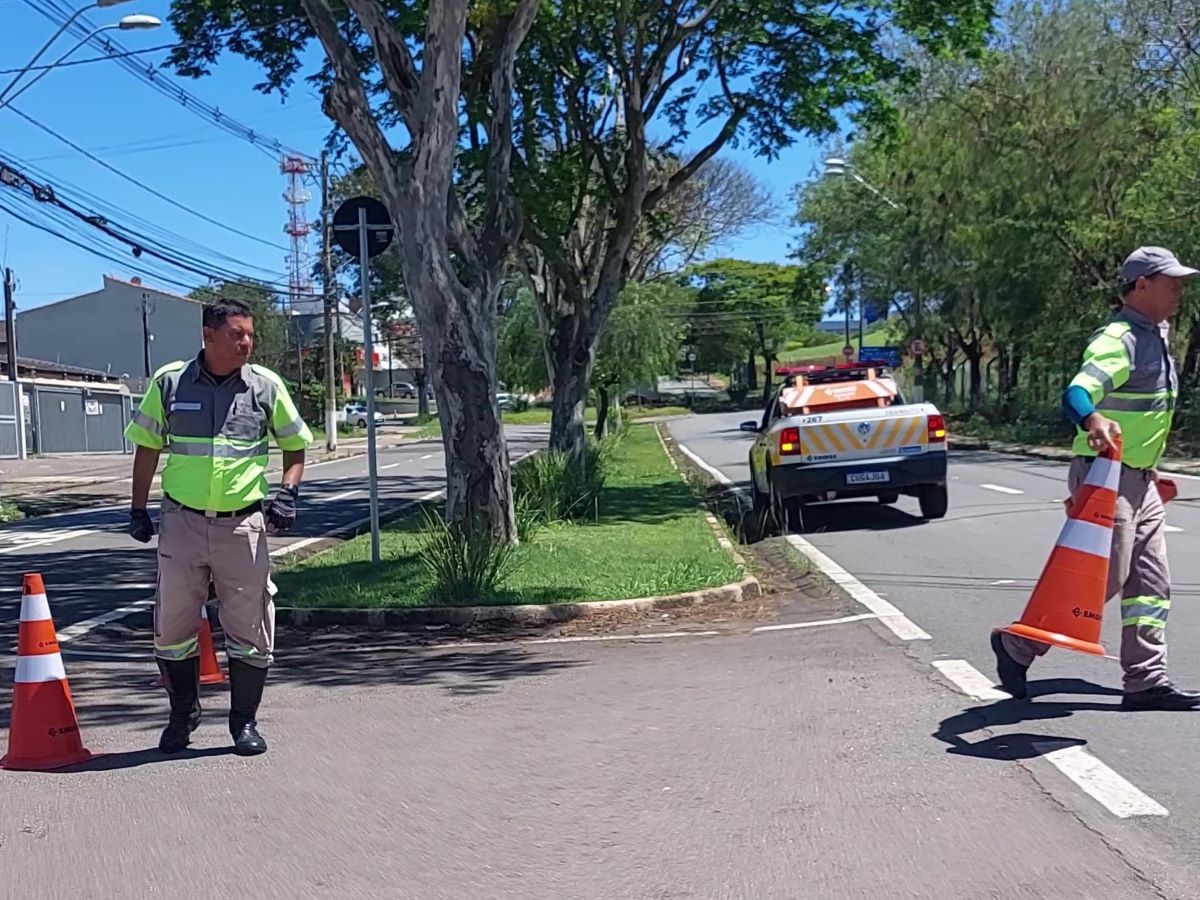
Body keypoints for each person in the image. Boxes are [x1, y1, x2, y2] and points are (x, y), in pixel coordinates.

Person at [992, 246, 1200, 710]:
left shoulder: (1157, 334)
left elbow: (1145, 411)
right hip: (1106, 476)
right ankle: (1017, 646)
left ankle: (1146, 680)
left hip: (1138, 477)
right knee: (1100, 578)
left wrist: (1149, 469)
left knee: (1151, 582)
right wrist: (1092, 420)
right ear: (1140, 285)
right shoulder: (1119, 337)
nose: (1179, 289)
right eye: (1170, 281)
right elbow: (1077, 393)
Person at [124, 297, 313, 754]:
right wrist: (136, 508)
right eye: (236, 334)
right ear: (208, 337)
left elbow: (295, 446)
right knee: (171, 627)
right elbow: (147, 448)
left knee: (251, 626)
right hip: (182, 523)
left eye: (249, 334)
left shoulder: (265, 387)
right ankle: (181, 715)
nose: (247, 342)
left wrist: (287, 493)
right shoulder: (169, 383)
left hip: (242, 526)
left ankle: (243, 722)